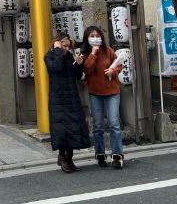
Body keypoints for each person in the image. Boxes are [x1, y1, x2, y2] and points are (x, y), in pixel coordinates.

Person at [44, 33, 90, 173]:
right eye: (64, 46)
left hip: (71, 97)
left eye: (68, 46)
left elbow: (76, 76)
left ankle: (69, 158)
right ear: (56, 43)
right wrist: (58, 51)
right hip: (58, 98)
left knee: (73, 128)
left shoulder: (69, 56)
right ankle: (62, 157)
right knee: (61, 129)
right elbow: (56, 68)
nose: (66, 49)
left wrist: (79, 65)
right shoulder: (50, 56)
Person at [82, 26, 124, 169]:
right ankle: (100, 154)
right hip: (95, 93)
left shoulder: (108, 50)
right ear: (87, 38)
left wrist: (113, 70)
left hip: (112, 91)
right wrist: (93, 52)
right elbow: (87, 69)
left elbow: (119, 64)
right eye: (92, 35)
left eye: (97, 35)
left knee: (114, 124)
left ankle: (117, 156)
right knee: (98, 126)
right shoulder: (84, 54)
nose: (95, 38)